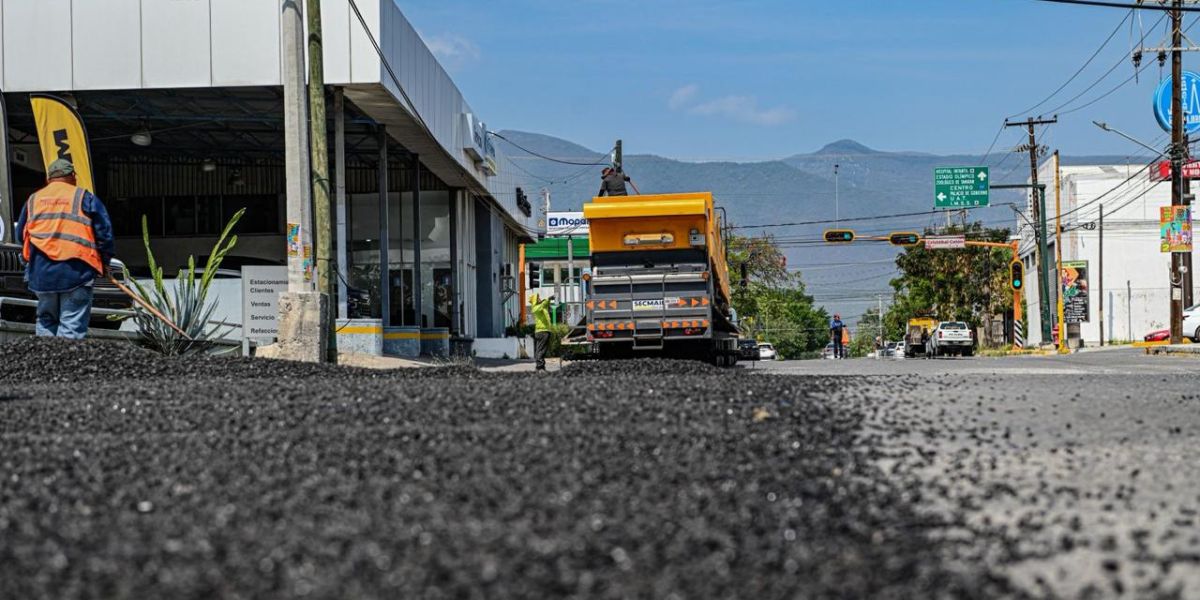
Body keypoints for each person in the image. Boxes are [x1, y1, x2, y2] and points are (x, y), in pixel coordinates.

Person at [15, 159, 114, 339]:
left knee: (46, 321)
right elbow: (104, 233)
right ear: (73, 177)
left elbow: (20, 235)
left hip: (41, 275)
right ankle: (66, 366)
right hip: (76, 272)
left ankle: (45, 364)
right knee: (71, 325)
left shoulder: (33, 200)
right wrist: (104, 262)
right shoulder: (84, 197)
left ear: (49, 179)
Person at [529, 293, 555, 371]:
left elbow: (545, 306)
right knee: (541, 350)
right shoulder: (535, 308)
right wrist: (548, 299)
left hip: (544, 331)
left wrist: (548, 301)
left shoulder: (540, 307)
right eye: (538, 298)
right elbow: (542, 306)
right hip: (541, 332)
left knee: (541, 349)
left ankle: (540, 367)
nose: (540, 298)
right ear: (535, 300)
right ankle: (540, 367)